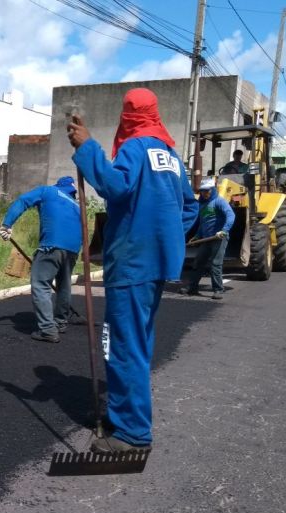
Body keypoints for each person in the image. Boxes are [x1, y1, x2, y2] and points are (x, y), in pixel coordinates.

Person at [67, 88, 198, 453]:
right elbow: (188, 209)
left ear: (128, 116)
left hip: (132, 262)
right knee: (137, 342)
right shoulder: (171, 156)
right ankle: (127, 413)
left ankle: (133, 433)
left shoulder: (135, 148)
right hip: (157, 263)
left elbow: (115, 186)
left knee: (123, 346)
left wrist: (87, 148)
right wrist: (163, 237)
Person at [0, 177, 84, 343]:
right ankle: (60, 322)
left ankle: (47, 329)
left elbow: (23, 201)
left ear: (58, 185)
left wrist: (6, 225)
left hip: (51, 246)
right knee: (64, 285)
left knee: (41, 284)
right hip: (73, 249)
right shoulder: (77, 206)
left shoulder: (48, 191)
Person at [182, 177, 235, 300]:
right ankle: (192, 287)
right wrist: (196, 236)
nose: (205, 193)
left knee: (215, 264)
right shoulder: (202, 204)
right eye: (202, 191)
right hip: (206, 239)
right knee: (198, 262)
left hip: (219, 238)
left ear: (213, 190)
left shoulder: (219, 202)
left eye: (207, 191)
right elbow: (203, 223)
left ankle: (218, 290)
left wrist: (224, 230)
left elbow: (231, 215)